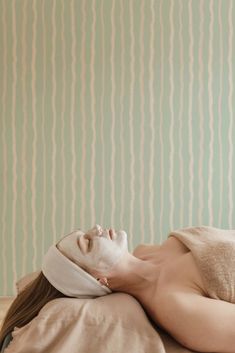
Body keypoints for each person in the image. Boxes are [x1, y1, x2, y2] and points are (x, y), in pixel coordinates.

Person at [1, 224, 235, 353]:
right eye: (89, 243)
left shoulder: (149, 250)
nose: (97, 228)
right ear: (98, 279)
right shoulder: (174, 304)